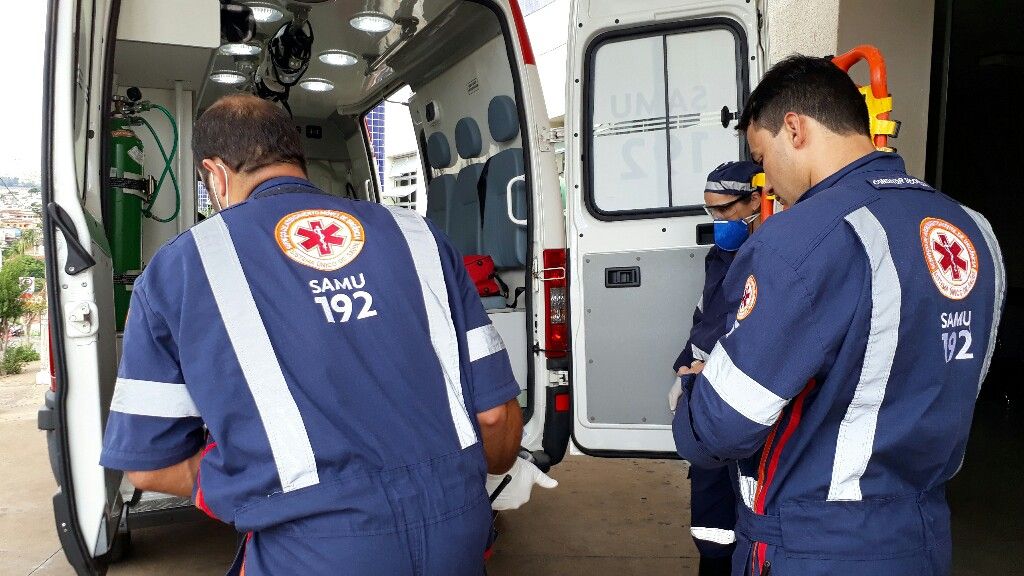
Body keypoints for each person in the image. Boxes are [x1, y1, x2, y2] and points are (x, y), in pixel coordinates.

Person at [99, 94, 555, 576]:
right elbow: (492, 420)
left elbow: (147, 465)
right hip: (459, 534)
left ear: (215, 174)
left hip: (313, 551)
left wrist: (242, 479)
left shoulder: (180, 267)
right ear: (298, 159)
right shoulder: (419, 236)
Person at [672, 55, 1005, 576]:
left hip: (814, 546)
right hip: (922, 539)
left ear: (794, 128)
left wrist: (691, 393)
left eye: (763, 158)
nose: (769, 182)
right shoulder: (975, 230)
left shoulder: (802, 239)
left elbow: (723, 428)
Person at [668, 161, 764, 576]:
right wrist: (684, 367)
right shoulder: (720, 256)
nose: (718, 221)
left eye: (725, 210)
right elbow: (706, 318)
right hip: (706, 387)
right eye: (711, 212)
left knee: (746, 501)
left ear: (756, 200)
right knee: (710, 511)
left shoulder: (771, 255)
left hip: (740, 392)